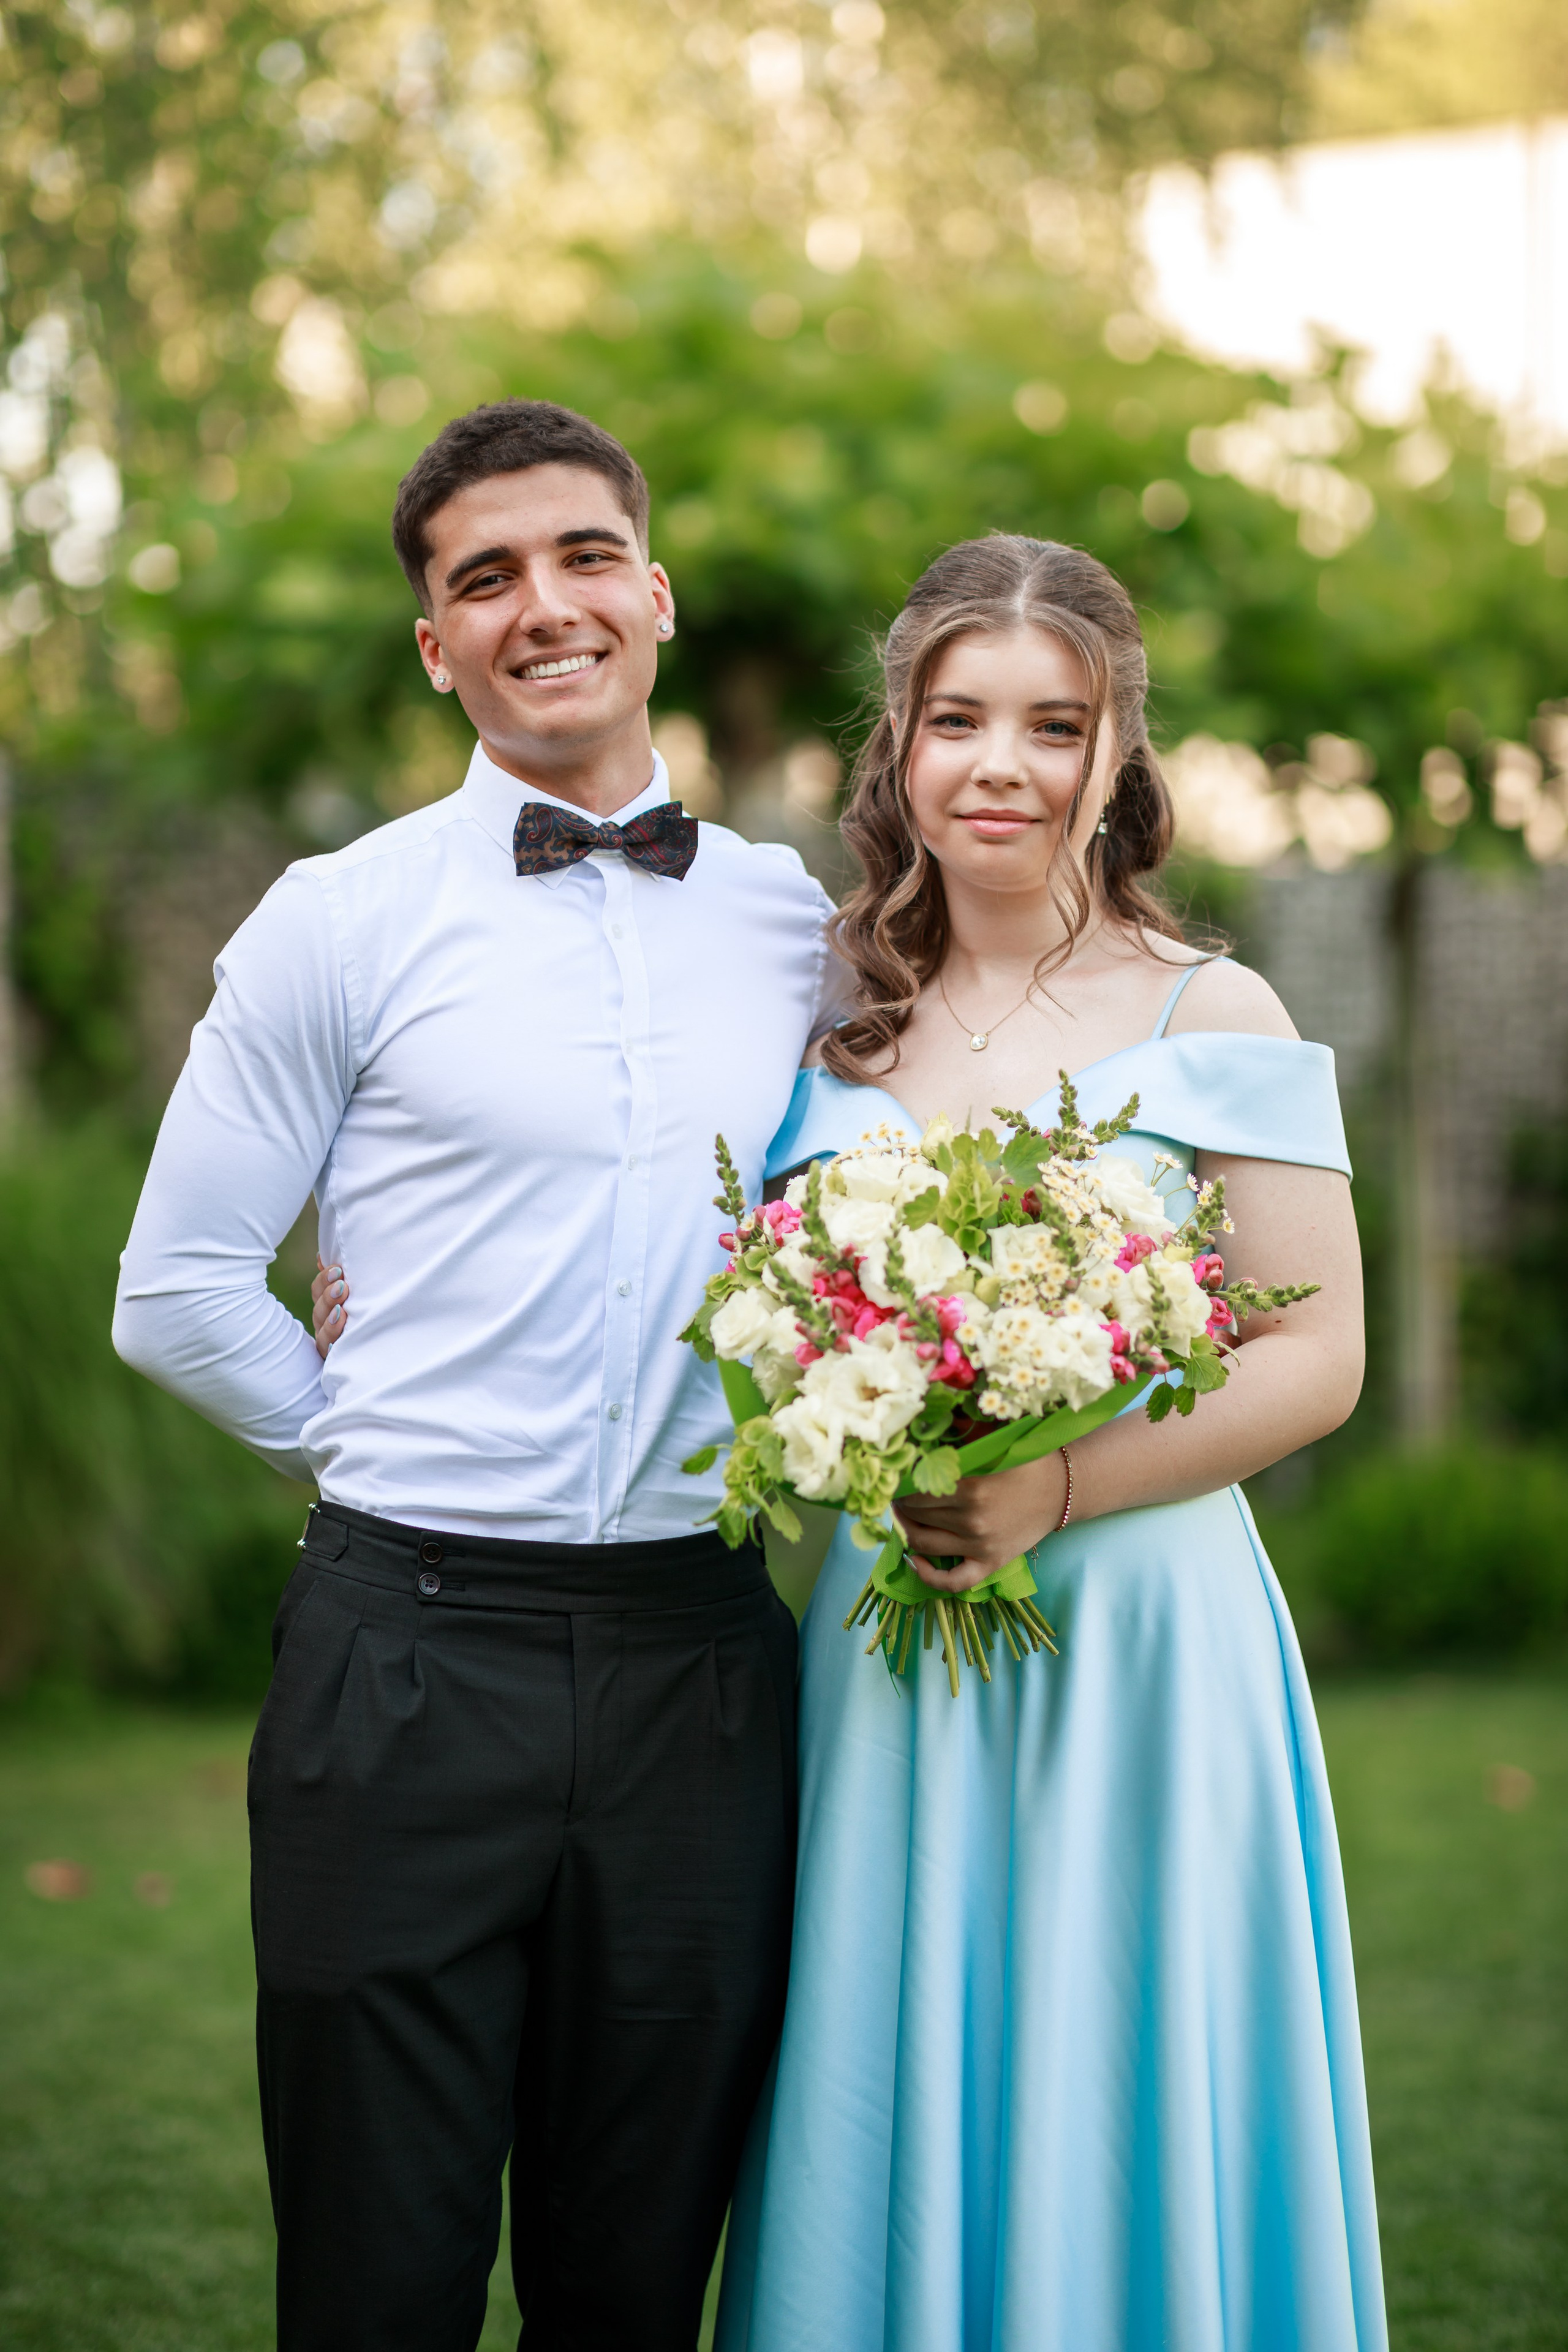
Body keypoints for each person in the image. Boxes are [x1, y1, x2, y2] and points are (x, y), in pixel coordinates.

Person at [112, 399, 850, 2352]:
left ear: (656, 596)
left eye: (585, 556)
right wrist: (371, 1441)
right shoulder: (338, 921)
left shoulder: (805, 928)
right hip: (405, 1665)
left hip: (704, 1664)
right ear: (437, 645)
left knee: (636, 2282)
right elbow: (175, 1291)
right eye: (487, 578)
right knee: (381, 2279)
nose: (547, 605)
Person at [708, 535, 1388, 2350]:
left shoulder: (1211, 1009)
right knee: (890, 2057)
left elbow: (1322, 1352)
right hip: (888, 1643)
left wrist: (1062, 1481)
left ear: (1116, 754)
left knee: (1125, 2066)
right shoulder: (821, 1022)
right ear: (899, 746)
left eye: (1051, 725)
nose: (997, 765)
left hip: (1145, 1642)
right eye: (956, 720)